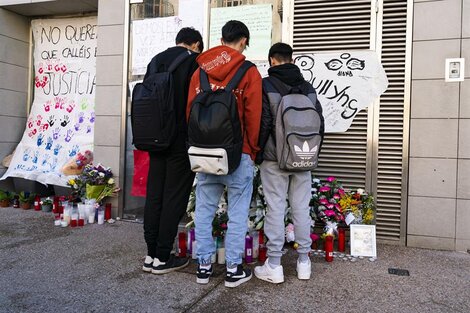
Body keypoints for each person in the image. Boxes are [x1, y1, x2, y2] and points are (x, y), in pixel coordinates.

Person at [186, 20, 262, 288]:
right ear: (243, 41)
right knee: (238, 213)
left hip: (205, 153)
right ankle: (233, 269)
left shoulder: (200, 72)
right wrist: (252, 150)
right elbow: (254, 116)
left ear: (221, 39)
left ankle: (204, 267)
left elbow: (190, 113)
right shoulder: (249, 71)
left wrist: (196, 146)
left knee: (205, 211)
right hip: (238, 154)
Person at [254, 42, 324, 283]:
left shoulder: (266, 85)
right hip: (303, 159)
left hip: (274, 159)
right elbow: (319, 124)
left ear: (272, 60)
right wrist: (311, 154)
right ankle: (304, 262)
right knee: (301, 208)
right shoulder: (307, 87)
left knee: (275, 207)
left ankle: (274, 264)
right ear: (291, 59)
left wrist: (258, 152)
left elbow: (263, 122)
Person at [142, 27, 203, 274]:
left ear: (178, 41)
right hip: (179, 140)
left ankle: (151, 255)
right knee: (174, 197)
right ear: (196, 44)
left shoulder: (156, 60)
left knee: (154, 195)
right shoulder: (193, 62)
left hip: (154, 138)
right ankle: (164, 256)